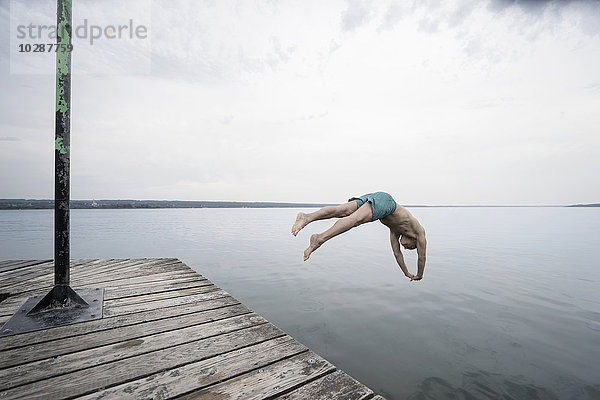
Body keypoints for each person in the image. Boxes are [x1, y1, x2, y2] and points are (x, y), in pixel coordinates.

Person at [291, 192, 427, 281]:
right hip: (386, 202)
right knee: (355, 220)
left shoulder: (395, 230)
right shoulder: (419, 232)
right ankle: (319, 239)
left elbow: (397, 254)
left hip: (381, 199)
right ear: (415, 240)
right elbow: (422, 256)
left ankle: (306, 217)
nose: (405, 248)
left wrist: (406, 273)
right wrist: (420, 274)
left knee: (343, 211)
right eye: (410, 247)